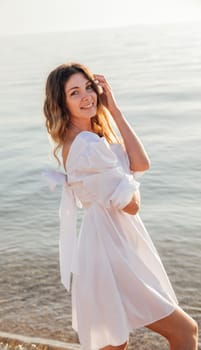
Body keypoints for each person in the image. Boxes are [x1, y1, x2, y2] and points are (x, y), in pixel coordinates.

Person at [43, 62, 198, 350]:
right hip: (111, 251)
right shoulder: (87, 146)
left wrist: (114, 110)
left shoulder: (90, 138)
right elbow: (131, 205)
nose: (86, 96)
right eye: (74, 92)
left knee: (115, 344)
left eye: (89, 87)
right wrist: (124, 182)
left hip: (110, 245)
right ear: (61, 103)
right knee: (185, 331)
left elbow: (141, 163)